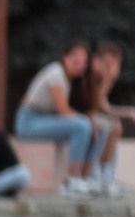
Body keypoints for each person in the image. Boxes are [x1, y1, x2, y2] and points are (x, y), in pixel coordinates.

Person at [17, 40, 109, 191]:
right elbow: (64, 111)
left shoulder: (74, 81)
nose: (80, 65)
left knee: (102, 126)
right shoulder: (56, 74)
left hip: (47, 120)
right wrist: (89, 121)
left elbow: (94, 109)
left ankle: (88, 179)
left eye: (84, 62)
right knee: (83, 126)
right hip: (29, 122)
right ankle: (72, 181)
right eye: (76, 60)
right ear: (65, 58)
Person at [73, 40, 135, 196]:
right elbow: (98, 109)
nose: (111, 70)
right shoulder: (89, 76)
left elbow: (104, 108)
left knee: (113, 125)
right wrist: (108, 81)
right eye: (108, 64)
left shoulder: (98, 77)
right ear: (96, 60)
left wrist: (131, 112)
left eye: (115, 65)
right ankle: (98, 174)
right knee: (112, 125)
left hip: (86, 118)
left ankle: (105, 174)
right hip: (79, 119)